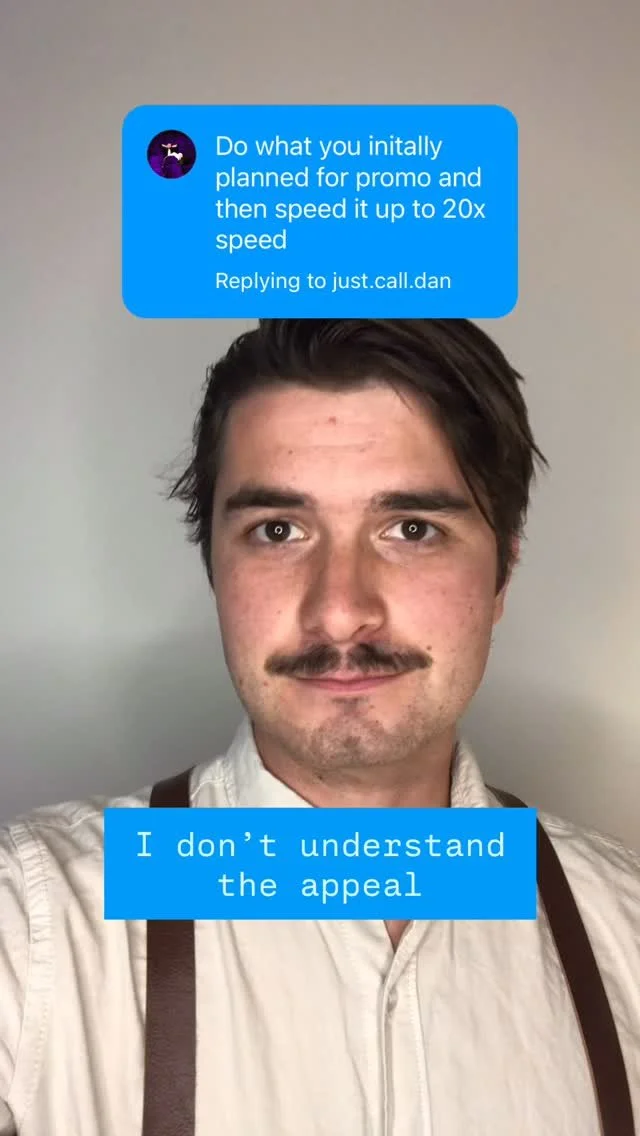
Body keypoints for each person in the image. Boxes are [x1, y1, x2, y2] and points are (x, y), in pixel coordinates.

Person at [0, 318, 638, 1135]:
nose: (339, 611)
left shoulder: (626, 928)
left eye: (412, 529)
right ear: (215, 569)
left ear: (502, 572)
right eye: (278, 531)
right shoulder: (32, 921)